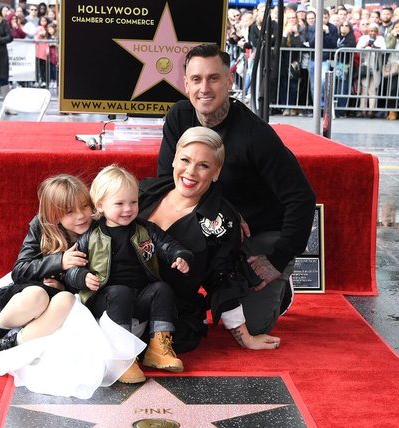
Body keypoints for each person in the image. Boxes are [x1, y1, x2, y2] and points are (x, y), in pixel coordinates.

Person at [0, 174, 145, 398]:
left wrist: (65, 280)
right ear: (53, 215)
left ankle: (6, 344)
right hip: (32, 291)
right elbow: (20, 270)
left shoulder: (101, 228)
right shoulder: (41, 225)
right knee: (37, 295)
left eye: (85, 207)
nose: (81, 216)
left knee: (66, 300)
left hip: (70, 297)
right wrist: (59, 261)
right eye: (69, 212)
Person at [157, 43, 316, 346]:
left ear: (230, 81)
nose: (204, 88)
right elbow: (167, 181)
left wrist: (278, 258)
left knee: (253, 326)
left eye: (214, 78)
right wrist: (225, 212)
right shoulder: (179, 117)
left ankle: (281, 287)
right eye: (196, 79)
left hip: (256, 235)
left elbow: (302, 197)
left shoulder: (255, 135)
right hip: (210, 226)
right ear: (185, 83)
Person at [142, 126, 282, 352]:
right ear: (174, 160)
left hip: (171, 312)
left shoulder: (223, 222)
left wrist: (244, 336)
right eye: (185, 160)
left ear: (216, 172)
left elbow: (222, 279)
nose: (190, 172)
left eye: (203, 165)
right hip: (124, 295)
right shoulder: (145, 191)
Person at [64, 165, 193, 383]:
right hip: (105, 301)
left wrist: (179, 255)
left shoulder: (145, 229)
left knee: (161, 288)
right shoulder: (91, 235)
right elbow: (70, 270)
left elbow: (167, 244)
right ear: (100, 206)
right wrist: (82, 276)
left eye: (133, 202)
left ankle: (158, 348)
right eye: (120, 203)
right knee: (120, 292)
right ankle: (123, 358)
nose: (128, 209)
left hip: (139, 299)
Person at [356, 22, 386, 117]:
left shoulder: (380, 39)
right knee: (364, 88)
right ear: (368, 31)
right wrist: (364, 45)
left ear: (377, 32)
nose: (372, 32)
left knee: (373, 89)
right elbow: (357, 50)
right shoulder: (363, 38)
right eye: (371, 30)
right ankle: (363, 110)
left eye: (374, 31)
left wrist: (376, 47)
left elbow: (384, 50)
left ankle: (371, 110)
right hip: (365, 66)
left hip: (376, 67)